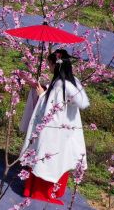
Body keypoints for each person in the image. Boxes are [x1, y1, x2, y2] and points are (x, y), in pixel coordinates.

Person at [19, 49, 89, 205]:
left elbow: (50, 110)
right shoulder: (72, 82)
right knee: (60, 160)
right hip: (65, 131)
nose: (48, 67)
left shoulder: (59, 84)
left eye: (49, 64)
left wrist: (41, 94)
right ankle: (55, 191)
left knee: (46, 160)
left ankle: (40, 192)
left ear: (55, 64)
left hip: (53, 131)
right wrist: (40, 87)